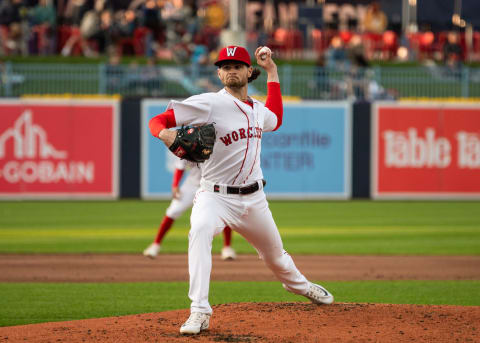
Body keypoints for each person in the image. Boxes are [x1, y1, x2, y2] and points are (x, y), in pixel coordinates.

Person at [148, 45, 334, 335]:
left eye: (237, 65)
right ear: (219, 73)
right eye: (225, 65)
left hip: (254, 199)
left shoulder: (258, 110)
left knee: (276, 258)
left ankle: (301, 286)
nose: (231, 69)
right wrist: (165, 133)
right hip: (214, 196)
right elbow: (158, 120)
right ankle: (199, 311)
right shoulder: (208, 103)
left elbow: (277, 119)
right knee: (198, 231)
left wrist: (272, 70)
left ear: (249, 71)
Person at [143, 157, 236, 260]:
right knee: (172, 211)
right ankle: (155, 245)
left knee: (224, 212)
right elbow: (180, 166)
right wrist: (175, 185)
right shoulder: (190, 145)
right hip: (191, 185)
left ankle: (227, 247)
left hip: (212, 187)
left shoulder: (218, 146)